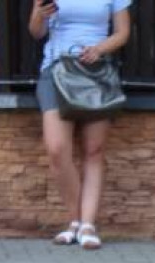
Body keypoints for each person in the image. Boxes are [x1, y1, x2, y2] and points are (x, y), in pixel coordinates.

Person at [28, 0, 132, 250]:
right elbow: (36, 32)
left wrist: (99, 49)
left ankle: (86, 224)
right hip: (56, 70)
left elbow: (123, 32)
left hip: (96, 72)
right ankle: (75, 220)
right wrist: (40, 14)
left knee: (94, 151)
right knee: (57, 150)